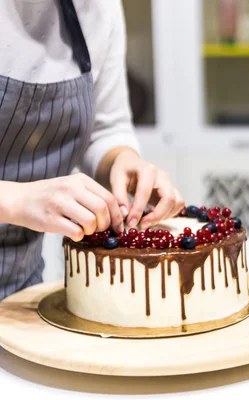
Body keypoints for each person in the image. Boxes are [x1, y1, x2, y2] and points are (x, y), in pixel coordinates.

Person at [0, 0, 184, 300]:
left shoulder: (99, 8)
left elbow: (106, 128)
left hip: (20, 294)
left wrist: (122, 160)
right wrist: (15, 200)